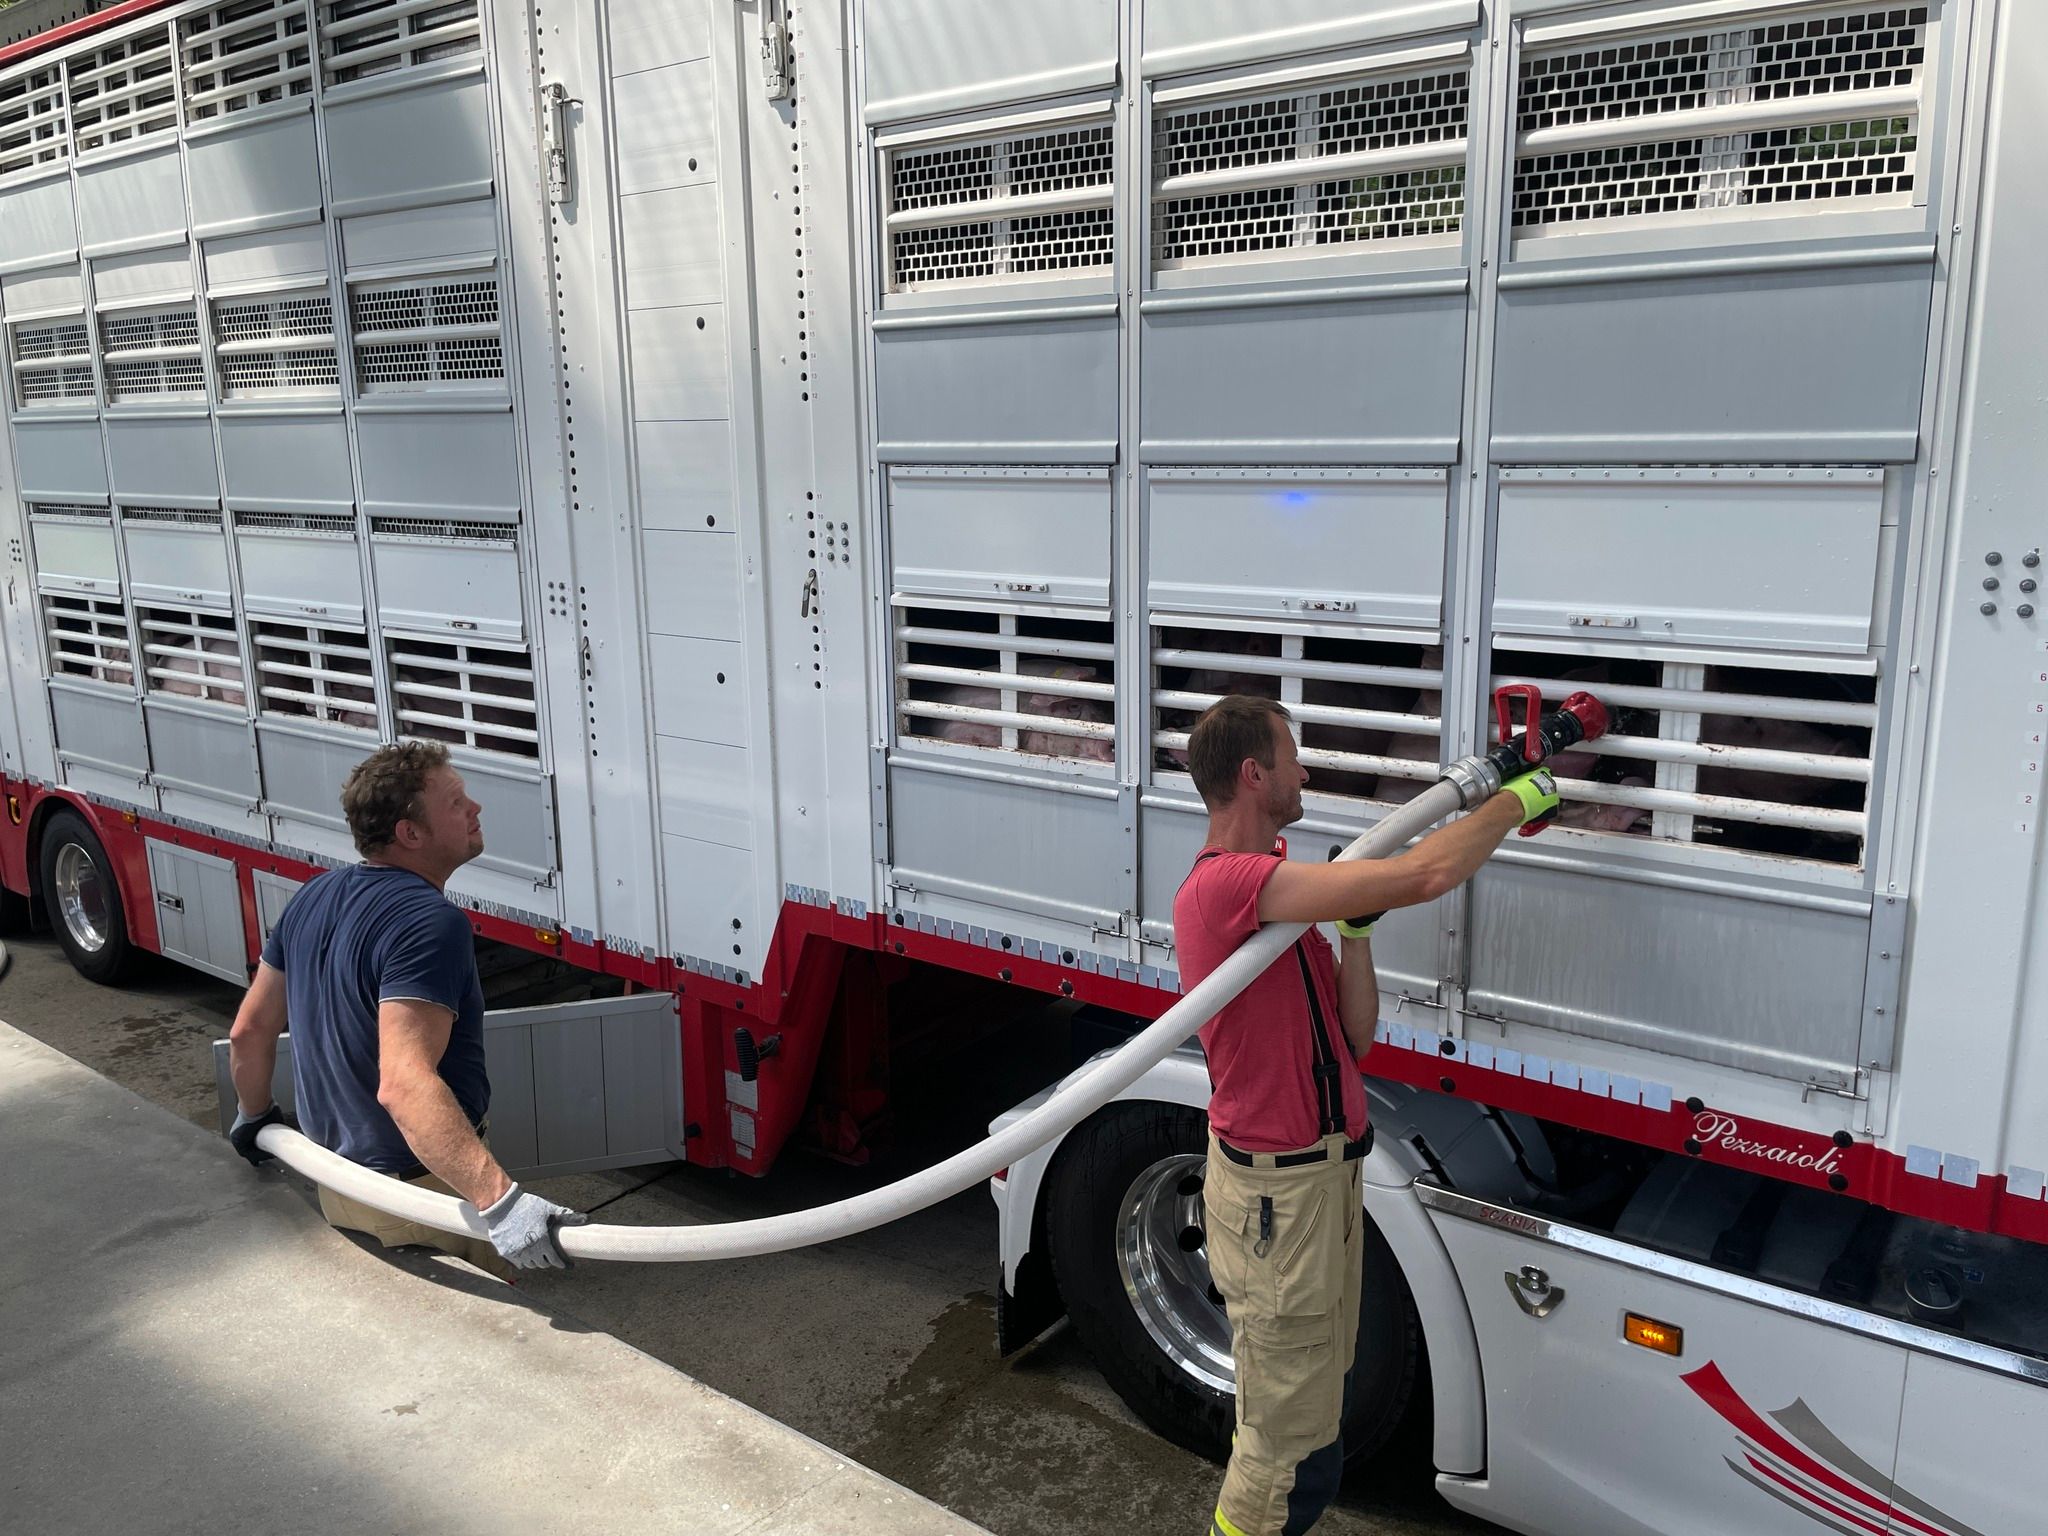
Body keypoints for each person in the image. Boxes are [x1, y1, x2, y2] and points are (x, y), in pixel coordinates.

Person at [1175, 696, 1558, 1536]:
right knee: (1280, 1449)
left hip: (1322, 1186)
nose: (1305, 771)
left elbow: (1353, 1040)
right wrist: (1517, 799)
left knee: (1314, 1425)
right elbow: (1424, 874)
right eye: (1293, 756)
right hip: (1280, 1206)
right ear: (1254, 774)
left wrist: (1354, 935)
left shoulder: (1279, 902)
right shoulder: (1227, 887)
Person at [226, 740, 584, 1273]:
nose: (475, 809)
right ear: (410, 834)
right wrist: (500, 1202)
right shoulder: (430, 923)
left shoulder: (313, 895)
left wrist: (253, 1118)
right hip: (421, 1199)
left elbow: (249, 1032)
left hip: (338, 1184)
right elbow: (402, 1081)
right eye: (456, 801)